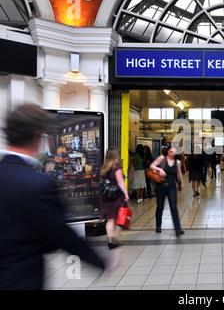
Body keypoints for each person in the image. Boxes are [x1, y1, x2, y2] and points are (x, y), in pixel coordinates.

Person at [0, 103, 108, 289]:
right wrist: (102, 263)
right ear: (36, 137)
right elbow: (60, 235)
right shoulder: (37, 183)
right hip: (21, 279)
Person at [100, 148, 130, 249]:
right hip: (116, 196)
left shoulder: (104, 167)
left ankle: (110, 240)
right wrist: (126, 194)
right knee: (120, 218)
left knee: (109, 220)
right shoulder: (116, 167)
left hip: (106, 196)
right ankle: (115, 239)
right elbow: (120, 182)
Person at [150, 147, 185, 236]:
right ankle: (158, 225)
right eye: (170, 152)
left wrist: (181, 182)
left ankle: (178, 229)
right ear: (168, 151)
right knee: (160, 206)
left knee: (173, 206)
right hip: (160, 186)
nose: (172, 154)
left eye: (174, 152)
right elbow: (151, 166)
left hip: (171, 186)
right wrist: (160, 169)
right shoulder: (162, 158)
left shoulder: (177, 162)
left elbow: (179, 172)